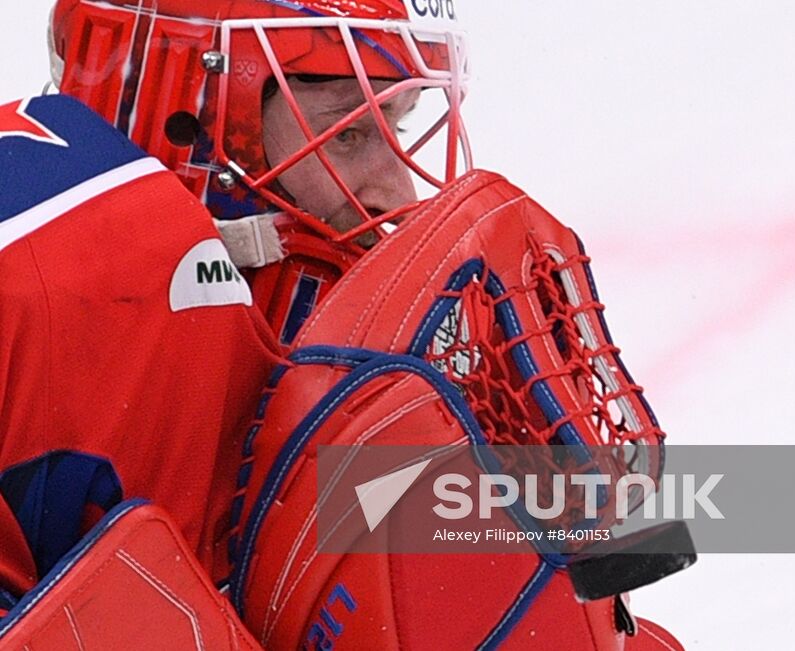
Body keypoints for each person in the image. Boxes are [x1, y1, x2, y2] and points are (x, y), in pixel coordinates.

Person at [0, 1, 685, 648]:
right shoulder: (46, 263)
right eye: (349, 130)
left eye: (400, 122)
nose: (400, 192)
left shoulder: (343, 329)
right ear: (193, 112)